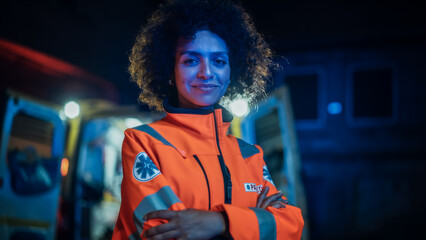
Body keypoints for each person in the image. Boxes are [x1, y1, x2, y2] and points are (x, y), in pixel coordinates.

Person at [112, 0, 304, 239]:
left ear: (232, 71)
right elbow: (165, 232)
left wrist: (219, 222)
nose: (207, 73)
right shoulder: (144, 143)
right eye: (191, 60)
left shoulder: (250, 155)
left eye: (219, 61)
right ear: (169, 70)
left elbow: (291, 225)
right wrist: (254, 220)